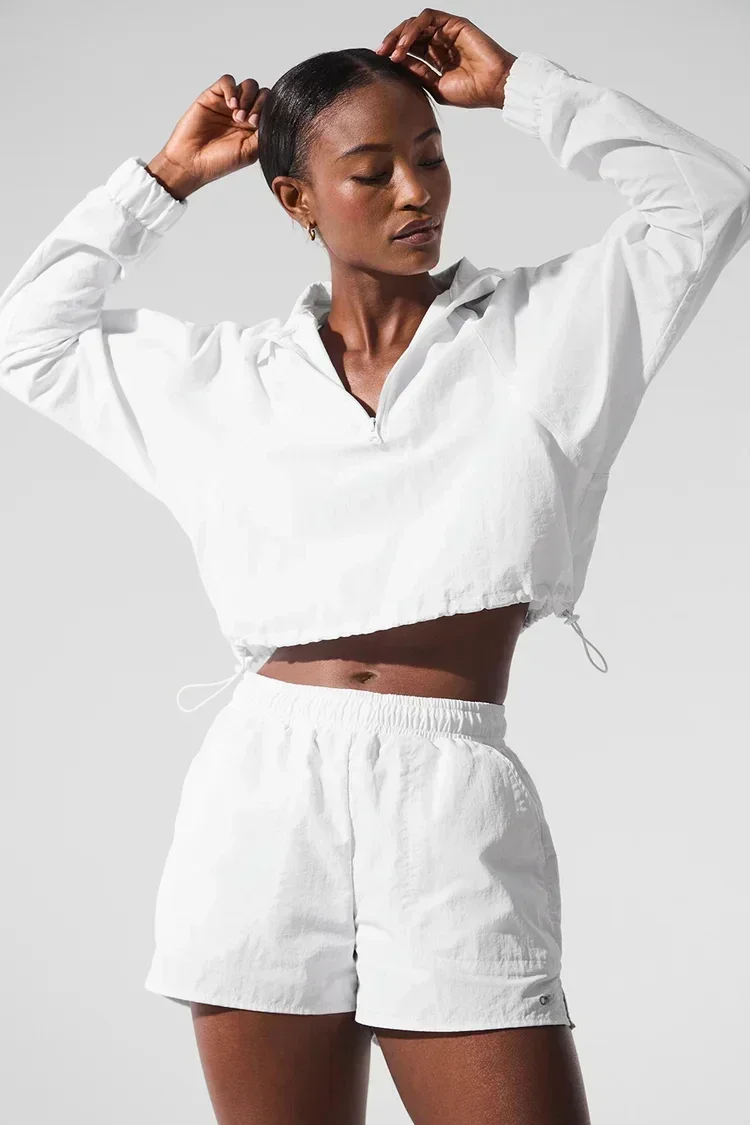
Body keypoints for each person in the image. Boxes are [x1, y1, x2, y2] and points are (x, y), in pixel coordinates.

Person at [2, 9, 748, 1125]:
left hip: (450, 791)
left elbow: (707, 202)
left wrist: (524, 88)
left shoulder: (545, 332)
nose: (417, 193)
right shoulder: (232, 381)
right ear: (295, 199)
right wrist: (165, 179)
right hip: (264, 796)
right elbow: (29, 337)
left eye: (432, 157)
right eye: (371, 172)